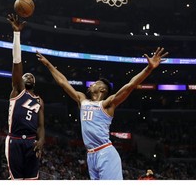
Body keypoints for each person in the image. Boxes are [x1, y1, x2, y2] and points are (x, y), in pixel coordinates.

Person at [36, 47, 168, 180]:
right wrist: (48, 64)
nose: (91, 85)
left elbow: (130, 85)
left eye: (94, 83)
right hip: (90, 156)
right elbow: (63, 82)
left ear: (102, 89)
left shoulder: (107, 104)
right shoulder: (82, 100)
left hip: (105, 153)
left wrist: (149, 68)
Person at [5, 13, 45, 180]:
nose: (28, 76)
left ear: (34, 83)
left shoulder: (39, 100)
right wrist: (16, 34)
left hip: (31, 142)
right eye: (25, 75)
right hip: (15, 140)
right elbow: (17, 61)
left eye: (31, 76)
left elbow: (41, 126)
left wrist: (41, 140)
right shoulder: (17, 90)